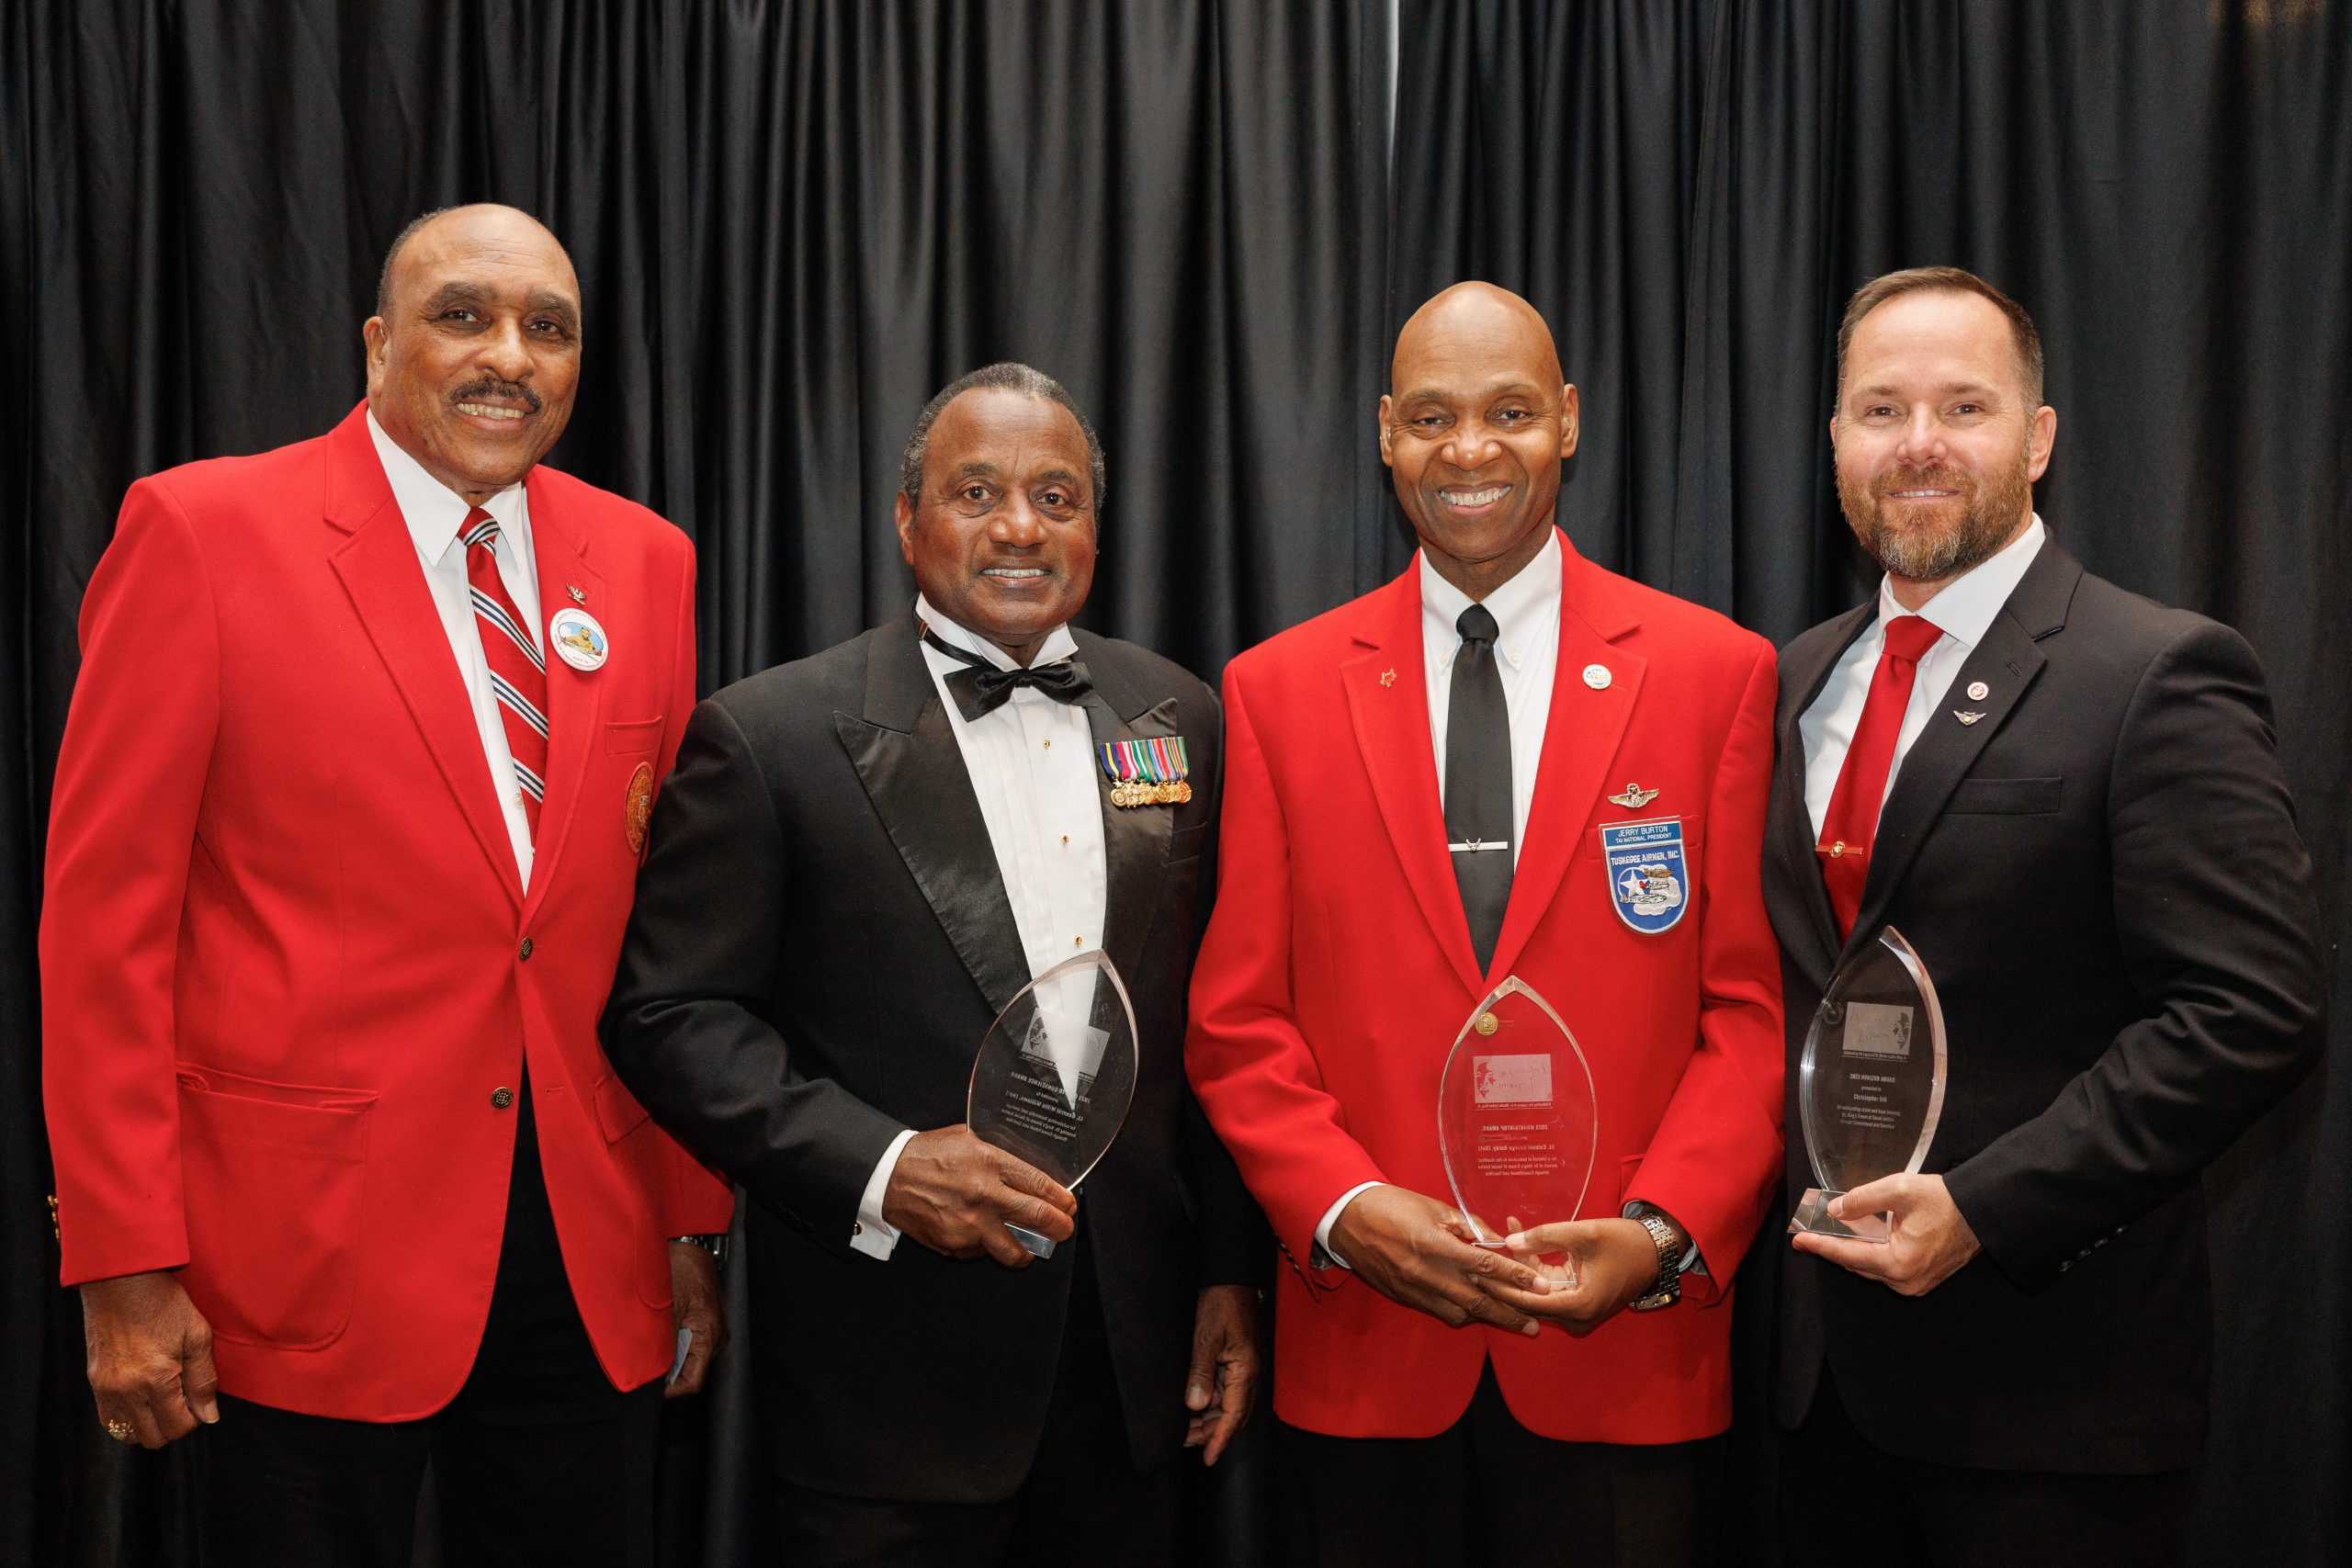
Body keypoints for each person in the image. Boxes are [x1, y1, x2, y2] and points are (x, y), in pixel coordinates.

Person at [40, 204, 733, 1567]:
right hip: (296, 1249)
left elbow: (667, 931)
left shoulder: (647, 562)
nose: (509, 357)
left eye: (549, 328)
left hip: (582, 1251)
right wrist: (122, 1262)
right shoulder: (201, 531)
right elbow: (104, 929)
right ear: (376, 345)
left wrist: (687, 1212)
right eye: (463, 316)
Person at [601, 362, 1264, 1567]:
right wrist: (884, 1163)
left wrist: (1230, 1273)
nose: (1019, 525)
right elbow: (671, 1015)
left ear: (1096, 529)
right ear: (908, 522)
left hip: (1130, 1376)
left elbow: (1208, 1024)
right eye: (976, 490)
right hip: (887, 1384)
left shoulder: (1180, 718)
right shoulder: (769, 735)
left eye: (1056, 496)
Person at [1184, 283, 1785, 1567]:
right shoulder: (1277, 691)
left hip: (1626, 1353)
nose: (1471, 451)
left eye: (1510, 412)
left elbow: (1749, 1015)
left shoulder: (1715, 674)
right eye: (1436, 418)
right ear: (1386, 433)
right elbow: (1238, 1023)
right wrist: (1345, 1206)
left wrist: (1662, 1234)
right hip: (1366, 1356)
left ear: (1567, 422)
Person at [1765, 266, 2323, 1566]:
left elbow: (2254, 1014)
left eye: (1964, 407)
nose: (1918, 446)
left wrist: (1987, 1204)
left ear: (2041, 437)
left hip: (2049, 1399)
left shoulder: (2156, 672)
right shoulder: (1792, 680)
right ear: (1835, 440)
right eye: (1880, 410)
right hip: (1818, 1395)